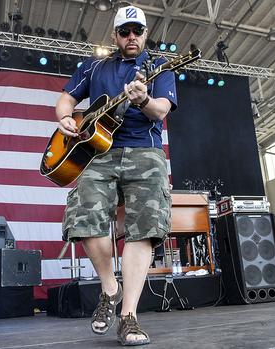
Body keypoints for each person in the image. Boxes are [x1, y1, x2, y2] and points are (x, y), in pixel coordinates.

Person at [56, 5, 177, 346]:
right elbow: (66, 97)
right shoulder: (95, 66)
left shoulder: (159, 67)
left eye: (137, 31)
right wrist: (65, 117)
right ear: (115, 35)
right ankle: (110, 287)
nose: (132, 37)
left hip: (145, 152)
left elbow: (161, 111)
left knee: (145, 227)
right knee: (84, 218)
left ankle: (128, 315)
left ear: (145, 33)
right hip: (99, 152)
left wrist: (142, 100)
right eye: (125, 32)